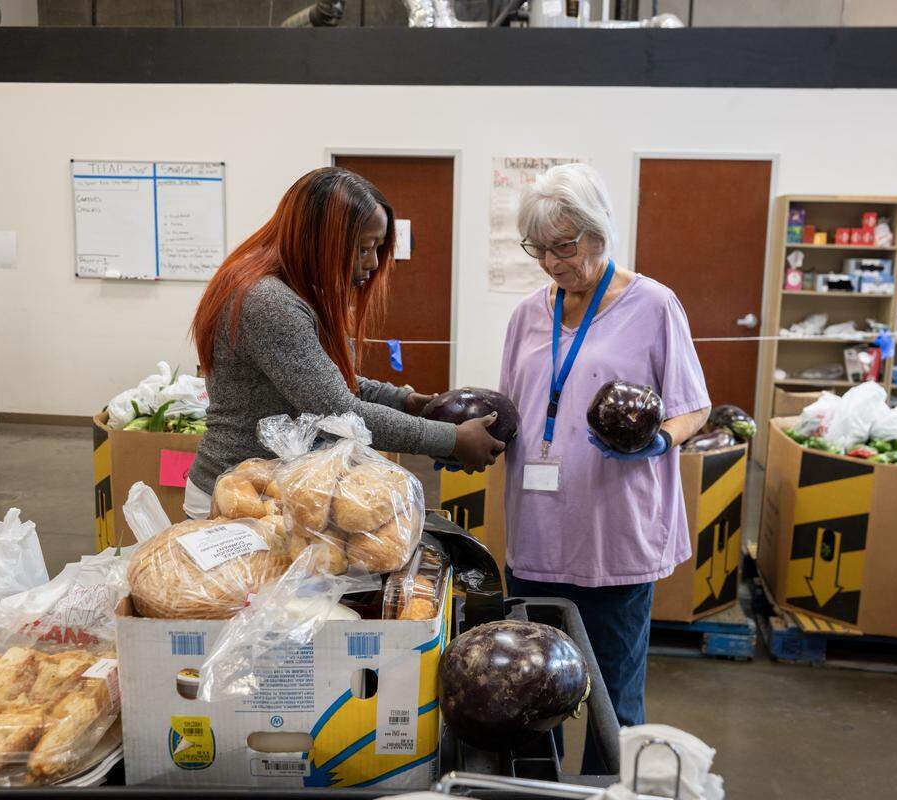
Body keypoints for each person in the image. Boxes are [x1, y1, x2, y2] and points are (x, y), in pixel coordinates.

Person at [498, 163, 710, 770]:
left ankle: (607, 789)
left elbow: (693, 407)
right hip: (538, 535)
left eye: (563, 246)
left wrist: (659, 442)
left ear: (598, 233)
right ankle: (538, 788)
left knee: (613, 699)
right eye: (538, 249)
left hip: (615, 537)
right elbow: (516, 409)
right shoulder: (526, 317)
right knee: (528, 693)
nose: (551, 262)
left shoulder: (654, 305)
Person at [185, 167, 503, 518]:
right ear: (318, 241)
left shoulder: (298, 293)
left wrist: (406, 401)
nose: (373, 262)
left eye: (378, 248)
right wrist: (453, 439)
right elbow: (338, 410)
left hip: (277, 492)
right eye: (363, 248)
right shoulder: (269, 301)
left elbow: (334, 385)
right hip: (238, 497)